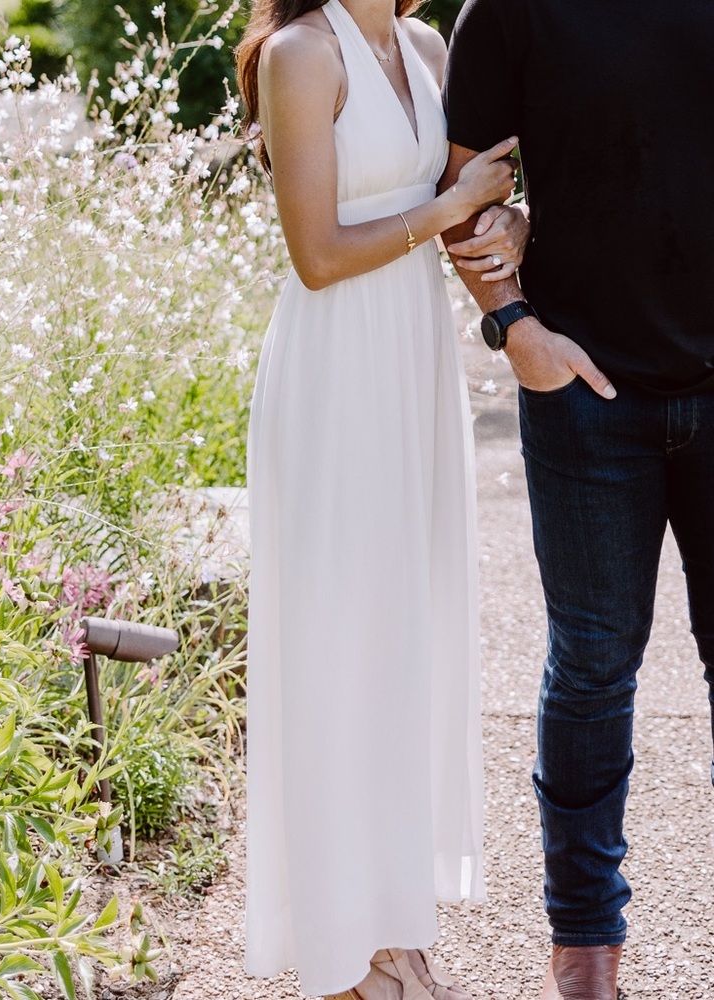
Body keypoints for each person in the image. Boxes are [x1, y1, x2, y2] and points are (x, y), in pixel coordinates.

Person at [236, 1, 528, 997]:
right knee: (335, 643)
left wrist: (500, 218)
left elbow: (465, 196)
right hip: (333, 372)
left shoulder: (425, 45)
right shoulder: (298, 54)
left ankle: (395, 923)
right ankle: (344, 944)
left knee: (401, 639)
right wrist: (450, 210)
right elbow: (315, 256)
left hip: (410, 363)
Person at [439, 3, 714, 999]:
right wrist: (513, 326)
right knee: (593, 666)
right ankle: (585, 946)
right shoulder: (507, 10)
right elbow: (466, 184)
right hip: (587, 393)